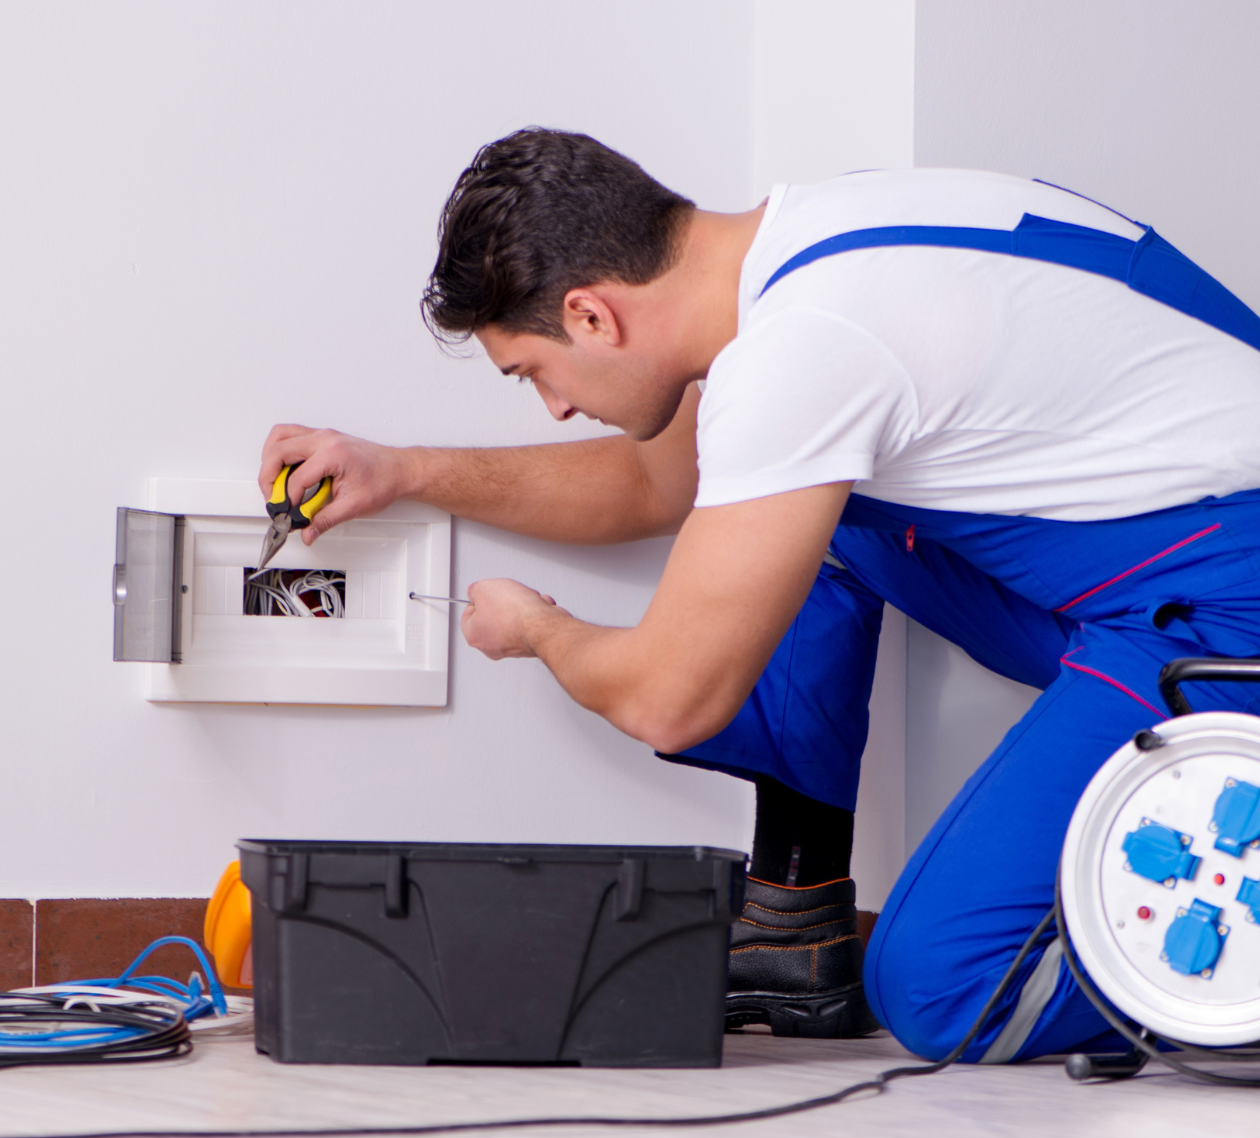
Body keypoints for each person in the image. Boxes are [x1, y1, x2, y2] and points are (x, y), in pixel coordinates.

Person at [257, 128, 1260, 1058]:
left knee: (947, 988)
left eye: (533, 373)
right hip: (1160, 560)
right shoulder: (812, 249)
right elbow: (666, 482)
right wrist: (402, 471)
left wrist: (542, 632)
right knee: (810, 526)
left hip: (1226, 606)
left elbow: (670, 695)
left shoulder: (804, 349)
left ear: (589, 313)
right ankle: (797, 905)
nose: (557, 405)